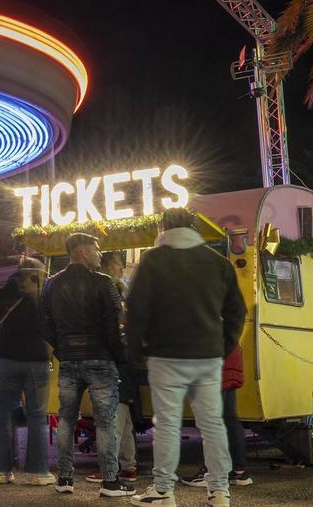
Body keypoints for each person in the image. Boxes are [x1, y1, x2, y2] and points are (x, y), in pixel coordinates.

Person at [127, 208, 246, 507]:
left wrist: (136, 349)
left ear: (163, 226)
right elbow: (237, 312)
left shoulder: (153, 260)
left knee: (167, 423)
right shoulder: (218, 263)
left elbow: (136, 311)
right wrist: (223, 345)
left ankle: (164, 491)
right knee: (212, 423)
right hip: (207, 355)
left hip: (165, 355)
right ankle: (220, 492)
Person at [40, 233, 136, 497]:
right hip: (101, 359)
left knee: (67, 420)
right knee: (105, 422)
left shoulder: (51, 284)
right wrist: (120, 357)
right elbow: (114, 327)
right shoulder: (103, 283)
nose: (100, 254)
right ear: (83, 252)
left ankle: (65, 478)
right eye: (96, 249)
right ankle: (110, 482)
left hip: (69, 360)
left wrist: (63, 351)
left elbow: (46, 325)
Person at [0, 257, 54, 485]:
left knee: (4, 413)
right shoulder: (48, 291)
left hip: (8, 358)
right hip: (38, 359)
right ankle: (38, 472)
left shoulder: (6, 291)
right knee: (37, 415)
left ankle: (1, 469)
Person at [87, 251, 140, 484]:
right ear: (109, 265)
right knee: (124, 416)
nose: (122, 267)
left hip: (113, 359)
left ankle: (110, 468)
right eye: (119, 264)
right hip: (126, 360)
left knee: (113, 417)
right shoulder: (122, 294)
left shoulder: (108, 292)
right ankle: (129, 466)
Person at [180, 343, 253, 488]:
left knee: (212, 420)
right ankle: (239, 472)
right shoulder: (230, 322)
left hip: (215, 365)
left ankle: (211, 471)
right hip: (230, 362)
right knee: (230, 418)